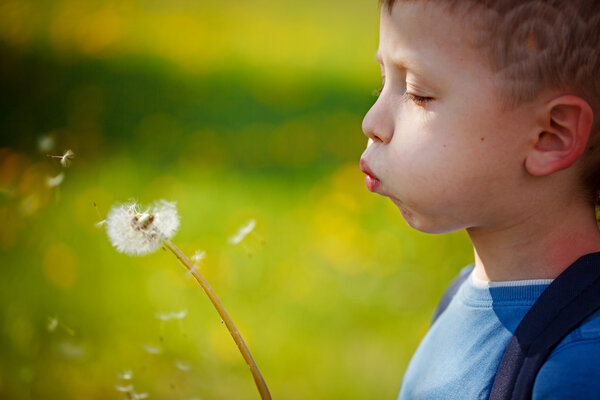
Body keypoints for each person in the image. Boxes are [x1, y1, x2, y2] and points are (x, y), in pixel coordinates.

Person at [360, 0, 600, 398]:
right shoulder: (461, 297)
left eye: (418, 93)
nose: (371, 123)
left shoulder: (577, 367)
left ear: (550, 135)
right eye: (382, 80)